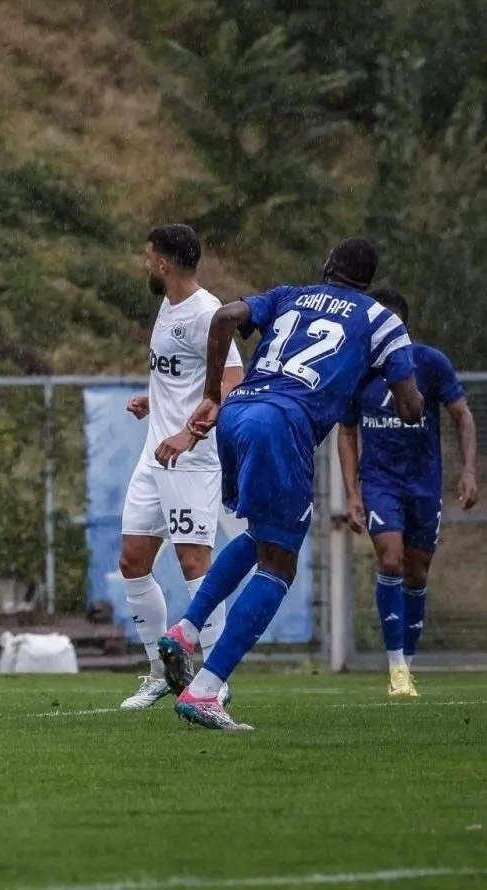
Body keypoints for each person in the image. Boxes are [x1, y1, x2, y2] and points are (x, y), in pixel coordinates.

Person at [154, 238, 423, 730]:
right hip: (282, 425)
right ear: (368, 281)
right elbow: (409, 409)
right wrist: (391, 376)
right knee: (279, 565)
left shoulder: (289, 294)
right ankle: (206, 690)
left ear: (328, 266)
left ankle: (185, 630)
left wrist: (212, 394)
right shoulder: (382, 320)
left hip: (238, 413)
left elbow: (224, 318)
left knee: (263, 535)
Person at [117, 224, 245, 710]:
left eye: (148, 257)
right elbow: (187, 377)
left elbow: (233, 380)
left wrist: (190, 432)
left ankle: (214, 679)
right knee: (133, 561)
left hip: (191, 459)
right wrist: (154, 402)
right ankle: (161, 672)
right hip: (154, 454)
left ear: (164, 263)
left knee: (194, 563)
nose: (145, 265)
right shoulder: (168, 305)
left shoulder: (206, 312)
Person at [338, 287, 477, 698]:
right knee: (391, 559)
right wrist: (352, 493)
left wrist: (469, 470)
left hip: (423, 483)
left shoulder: (430, 363)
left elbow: (462, 416)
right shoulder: (357, 369)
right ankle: (395, 667)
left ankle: (408, 669)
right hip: (380, 482)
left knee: (417, 572)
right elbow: (347, 432)